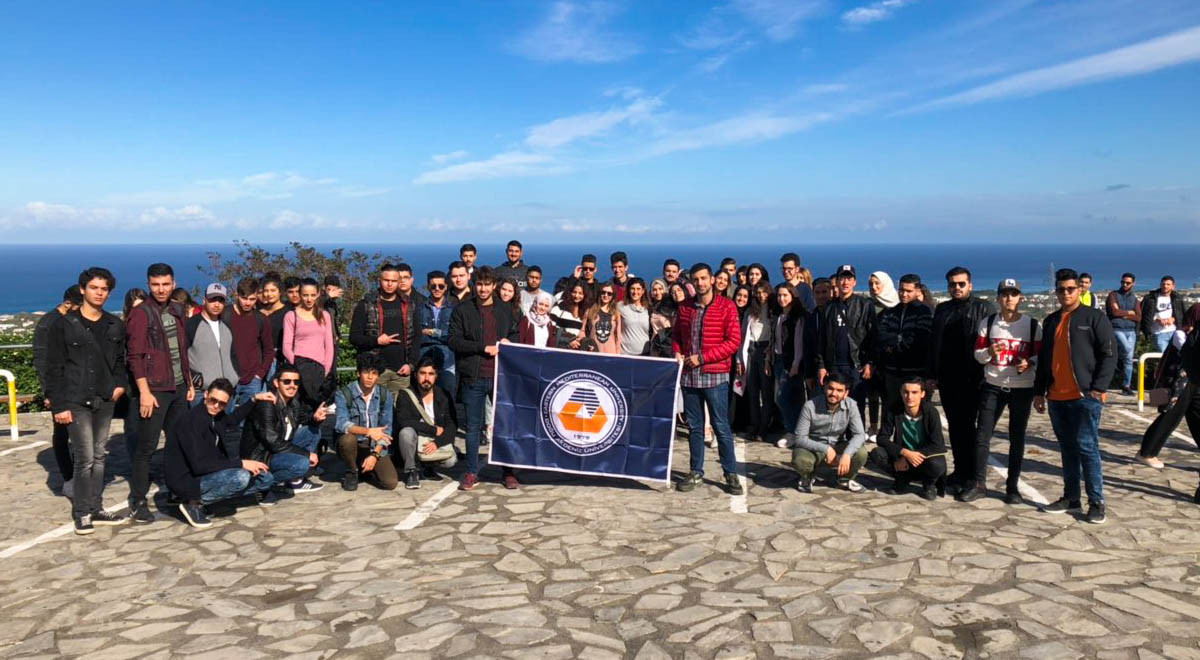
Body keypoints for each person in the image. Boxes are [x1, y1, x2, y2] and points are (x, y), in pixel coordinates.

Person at [45, 268, 130, 534]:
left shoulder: (114, 324)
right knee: (85, 457)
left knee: (100, 455)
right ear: (82, 289)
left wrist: (119, 385)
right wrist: (59, 406)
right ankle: (82, 513)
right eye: (94, 288)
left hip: (104, 398)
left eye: (104, 289)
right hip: (75, 399)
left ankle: (95, 506)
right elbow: (53, 366)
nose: (99, 293)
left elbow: (119, 360)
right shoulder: (63, 324)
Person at [1034, 268, 1117, 525]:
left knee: (1087, 447)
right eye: (1061, 289)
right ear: (1056, 291)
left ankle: (1096, 501)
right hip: (1057, 397)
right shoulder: (1050, 321)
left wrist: (1099, 389)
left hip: (1084, 397)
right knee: (1067, 449)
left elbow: (1110, 353)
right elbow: (1045, 360)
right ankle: (1071, 497)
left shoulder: (1094, 317)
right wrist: (1039, 392)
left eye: (1071, 288)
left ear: (1080, 290)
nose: (1066, 293)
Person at [126, 263, 195, 524]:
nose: (161, 289)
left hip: (177, 387)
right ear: (148, 285)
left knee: (177, 444)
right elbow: (135, 356)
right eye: (155, 284)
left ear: (173, 283)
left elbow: (181, 352)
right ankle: (138, 500)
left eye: (165, 284)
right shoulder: (141, 314)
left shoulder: (177, 311)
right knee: (147, 447)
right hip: (155, 390)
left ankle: (176, 491)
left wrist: (188, 383)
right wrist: (144, 391)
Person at [966, 279, 1042, 504]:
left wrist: (1029, 363)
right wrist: (989, 350)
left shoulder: (1032, 326)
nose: (1009, 298)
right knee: (983, 435)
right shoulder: (988, 324)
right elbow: (978, 355)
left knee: (1016, 437)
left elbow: (1040, 356)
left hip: (1022, 388)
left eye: (1014, 294)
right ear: (998, 298)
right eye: (1005, 294)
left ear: (1020, 297)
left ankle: (1012, 487)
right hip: (993, 385)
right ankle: (979, 483)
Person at [165, 379, 278, 529]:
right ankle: (192, 502)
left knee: (265, 478)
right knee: (241, 477)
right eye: (213, 400)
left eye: (222, 404)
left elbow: (232, 420)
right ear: (206, 395)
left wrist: (254, 399)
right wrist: (241, 463)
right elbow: (199, 466)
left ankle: (203, 498)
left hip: (207, 472)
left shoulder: (214, 415)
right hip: (186, 480)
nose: (217, 406)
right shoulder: (191, 422)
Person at [672, 263, 743, 495]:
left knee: (721, 426)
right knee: (695, 428)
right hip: (690, 378)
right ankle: (696, 472)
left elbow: (733, 342)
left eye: (704, 278)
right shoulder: (684, 307)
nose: (700, 283)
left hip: (715, 376)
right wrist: (677, 351)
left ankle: (730, 473)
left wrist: (702, 358)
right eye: (696, 279)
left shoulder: (727, 306)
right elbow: (677, 336)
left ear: (712, 279)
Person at [448, 266, 520, 490]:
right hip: (474, 376)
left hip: (501, 377)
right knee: (472, 428)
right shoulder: (462, 310)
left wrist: (510, 340)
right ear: (473, 284)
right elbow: (454, 341)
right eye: (479, 284)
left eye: (487, 284)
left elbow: (515, 332)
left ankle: (508, 472)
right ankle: (471, 472)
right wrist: (483, 348)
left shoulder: (505, 309)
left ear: (494, 286)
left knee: (504, 426)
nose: (483, 288)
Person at [929, 266, 995, 496]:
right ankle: (960, 471)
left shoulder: (984, 308)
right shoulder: (943, 309)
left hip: (975, 378)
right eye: (952, 284)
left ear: (970, 285)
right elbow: (934, 343)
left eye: (961, 284)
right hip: (948, 377)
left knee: (975, 431)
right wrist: (933, 374)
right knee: (957, 428)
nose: (956, 288)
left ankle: (974, 479)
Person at [240, 362, 327, 492]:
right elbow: (272, 440)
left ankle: (295, 480)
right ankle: (264, 484)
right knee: (302, 464)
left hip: (279, 448)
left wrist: (315, 418)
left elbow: (305, 420)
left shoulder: (293, 402)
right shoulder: (267, 404)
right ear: (276, 383)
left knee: (313, 432)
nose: (292, 386)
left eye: (296, 382)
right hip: (262, 455)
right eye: (287, 381)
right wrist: (306, 454)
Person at [33, 285, 83, 496]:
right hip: (59, 389)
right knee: (61, 434)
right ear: (69, 303)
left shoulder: (67, 321)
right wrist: (50, 393)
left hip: (74, 387)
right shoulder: (49, 324)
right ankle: (68, 477)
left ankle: (77, 476)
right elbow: (43, 362)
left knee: (76, 434)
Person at [814, 265, 876, 422]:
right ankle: (836, 439)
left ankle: (856, 440)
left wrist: (869, 362)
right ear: (837, 281)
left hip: (856, 365)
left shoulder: (865, 305)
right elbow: (821, 339)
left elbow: (872, 336)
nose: (845, 282)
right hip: (834, 364)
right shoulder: (828, 307)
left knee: (856, 406)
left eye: (849, 278)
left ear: (854, 282)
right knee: (833, 405)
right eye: (842, 278)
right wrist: (821, 366)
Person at [350, 264, 422, 398]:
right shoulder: (366, 305)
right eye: (386, 280)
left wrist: (411, 364)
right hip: (374, 371)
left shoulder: (408, 305)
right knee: (372, 412)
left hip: (401, 372)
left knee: (398, 413)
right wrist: (376, 341)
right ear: (379, 280)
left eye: (394, 281)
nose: (390, 284)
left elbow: (417, 336)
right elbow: (354, 337)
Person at [789, 373, 869, 493]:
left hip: (838, 445)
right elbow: (800, 438)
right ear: (824, 387)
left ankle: (844, 479)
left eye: (839, 390)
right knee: (800, 459)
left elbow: (860, 434)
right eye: (830, 388)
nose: (834, 394)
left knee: (861, 452)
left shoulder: (851, 405)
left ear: (846, 393)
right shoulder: (810, 406)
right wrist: (826, 449)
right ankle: (808, 476)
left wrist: (847, 454)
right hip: (813, 448)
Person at [869, 377, 947, 500]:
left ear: (922, 394)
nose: (909, 396)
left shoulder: (931, 412)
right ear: (901, 393)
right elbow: (882, 438)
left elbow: (937, 445)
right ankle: (902, 478)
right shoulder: (893, 410)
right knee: (877, 454)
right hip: (902, 457)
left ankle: (929, 484)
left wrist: (914, 455)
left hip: (923, 458)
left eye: (914, 392)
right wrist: (904, 453)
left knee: (938, 464)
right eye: (906, 392)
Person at [393, 357, 459, 487]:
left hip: (433, 440)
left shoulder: (444, 395)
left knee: (450, 461)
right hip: (415, 439)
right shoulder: (405, 394)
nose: (426, 378)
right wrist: (433, 429)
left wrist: (437, 443)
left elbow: (452, 424)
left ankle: (429, 468)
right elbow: (404, 421)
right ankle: (411, 471)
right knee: (406, 433)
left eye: (431, 374)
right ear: (416, 374)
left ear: (436, 376)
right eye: (422, 373)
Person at [1135, 318, 1193, 469]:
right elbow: (1189, 353)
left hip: (1194, 382)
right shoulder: (1181, 334)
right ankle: (1147, 452)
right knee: (1170, 417)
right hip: (1181, 383)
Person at [334, 353, 397, 491]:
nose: (369, 377)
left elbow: (386, 430)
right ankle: (352, 471)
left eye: (374, 373)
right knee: (347, 440)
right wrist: (368, 431)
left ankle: (366, 468)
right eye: (366, 372)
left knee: (390, 483)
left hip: (374, 446)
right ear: (358, 373)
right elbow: (341, 423)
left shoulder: (385, 395)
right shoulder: (344, 393)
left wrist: (375, 455)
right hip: (354, 443)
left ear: (378, 376)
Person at [873, 274, 933, 419]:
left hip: (915, 371)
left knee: (916, 411)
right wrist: (899, 339)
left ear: (917, 291)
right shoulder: (892, 311)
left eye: (908, 291)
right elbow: (881, 335)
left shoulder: (924, 312)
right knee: (892, 410)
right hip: (892, 371)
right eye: (901, 290)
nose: (904, 294)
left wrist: (894, 346)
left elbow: (919, 339)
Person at [282, 278, 336, 413]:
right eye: (305, 295)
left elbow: (329, 345)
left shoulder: (324, 315)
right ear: (300, 295)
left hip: (320, 370)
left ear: (318, 294)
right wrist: (298, 367)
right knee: (299, 409)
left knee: (319, 409)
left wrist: (326, 369)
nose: (309, 299)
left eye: (312, 295)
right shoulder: (291, 315)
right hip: (300, 368)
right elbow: (286, 346)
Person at [767, 282, 808, 448]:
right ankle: (798, 431)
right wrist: (768, 360)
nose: (781, 298)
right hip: (777, 360)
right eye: (779, 295)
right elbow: (774, 340)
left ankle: (793, 432)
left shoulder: (797, 317)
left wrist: (796, 363)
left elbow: (798, 343)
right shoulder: (778, 315)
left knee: (782, 398)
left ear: (793, 296)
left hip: (790, 363)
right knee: (790, 399)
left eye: (785, 295)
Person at [185, 283, 240, 403]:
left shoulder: (226, 326)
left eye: (220, 300)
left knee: (227, 422)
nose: (216, 304)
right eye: (212, 300)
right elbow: (181, 356)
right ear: (204, 300)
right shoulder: (191, 325)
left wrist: (236, 376)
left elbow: (232, 354)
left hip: (228, 391)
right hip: (203, 392)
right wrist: (194, 379)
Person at [227, 277, 275, 409]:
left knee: (249, 422)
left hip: (252, 380)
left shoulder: (261, 319)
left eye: (252, 299)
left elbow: (268, 350)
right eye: (244, 298)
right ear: (236, 295)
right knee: (223, 421)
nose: (248, 303)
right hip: (227, 378)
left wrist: (259, 374)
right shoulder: (224, 315)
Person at [737, 280, 774, 442]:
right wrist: (740, 359)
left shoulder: (774, 310)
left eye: (764, 292)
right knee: (752, 392)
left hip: (766, 350)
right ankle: (754, 425)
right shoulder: (751, 311)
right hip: (751, 350)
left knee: (766, 393)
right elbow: (743, 336)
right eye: (758, 293)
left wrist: (769, 354)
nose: (761, 296)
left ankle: (764, 428)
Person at [418, 270, 458, 399]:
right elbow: (417, 333)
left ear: (446, 287)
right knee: (424, 398)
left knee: (447, 399)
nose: (437, 289)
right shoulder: (419, 308)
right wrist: (442, 335)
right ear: (428, 287)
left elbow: (454, 335)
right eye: (433, 286)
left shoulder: (454, 309)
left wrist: (431, 332)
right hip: (424, 360)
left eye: (440, 286)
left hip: (447, 361)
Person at [1106, 273, 1141, 395]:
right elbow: (1114, 312)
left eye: (1127, 283)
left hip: (1131, 331)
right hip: (1117, 328)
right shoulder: (1113, 295)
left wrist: (1125, 314)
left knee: (1129, 359)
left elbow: (1138, 316)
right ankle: (1119, 362)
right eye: (1123, 282)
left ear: (1133, 284)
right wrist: (1129, 313)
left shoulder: (1134, 298)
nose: (1124, 284)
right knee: (1126, 351)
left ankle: (1126, 385)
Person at [1141, 275, 1185, 353]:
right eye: (1163, 284)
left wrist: (1173, 319)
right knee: (1163, 358)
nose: (1165, 286)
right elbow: (1144, 314)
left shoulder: (1177, 298)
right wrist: (1157, 319)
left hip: (1174, 332)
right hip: (1158, 333)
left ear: (1173, 286)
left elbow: (1182, 313)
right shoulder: (1150, 298)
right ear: (1160, 285)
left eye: (1168, 284)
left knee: (1179, 356)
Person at [617, 278, 651, 356]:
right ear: (628, 290)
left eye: (638, 289)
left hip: (645, 353)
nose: (635, 292)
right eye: (632, 289)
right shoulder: (620, 306)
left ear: (643, 291)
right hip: (625, 353)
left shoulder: (649, 309)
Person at [586, 283, 622, 354]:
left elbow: (618, 336)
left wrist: (618, 353)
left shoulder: (616, 313)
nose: (606, 295)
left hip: (611, 353)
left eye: (609, 293)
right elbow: (582, 330)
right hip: (592, 351)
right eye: (603, 292)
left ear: (613, 296)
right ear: (599, 293)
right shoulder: (590, 311)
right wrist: (586, 344)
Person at [551, 283, 589, 350]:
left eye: (580, 293)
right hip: (559, 348)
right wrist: (569, 340)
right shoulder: (561, 304)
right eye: (574, 292)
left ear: (584, 295)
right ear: (570, 292)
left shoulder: (583, 311)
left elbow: (580, 334)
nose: (577, 295)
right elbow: (551, 326)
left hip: (574, 350)